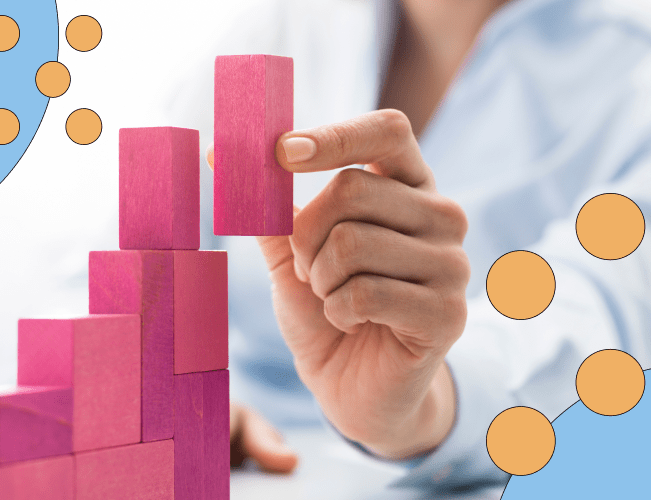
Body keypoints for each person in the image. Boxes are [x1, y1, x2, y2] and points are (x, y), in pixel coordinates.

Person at [167, 0, 651, 487]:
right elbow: (130, 264)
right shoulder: (278, 28)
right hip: (228, 467)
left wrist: (423, 400)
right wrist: (169, 386)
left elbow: (599, 323)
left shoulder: (634, 69)